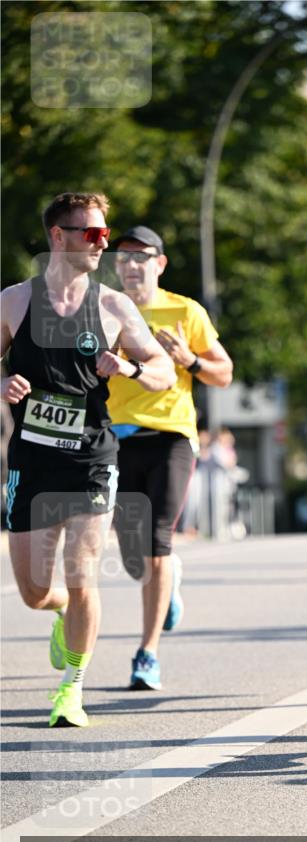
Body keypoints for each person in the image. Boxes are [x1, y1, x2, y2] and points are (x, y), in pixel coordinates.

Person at [0, 192, 175, 727]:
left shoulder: (114, 307)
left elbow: (164, 370)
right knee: (34, 592)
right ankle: (58, 614)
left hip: (92, 458)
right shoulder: (15, 302)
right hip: (31, 460)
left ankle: (71, 689)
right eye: (92, 234)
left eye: (105, 234)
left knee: (82, 575)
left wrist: (130, 369)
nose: (103, 244)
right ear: (58, 237)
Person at [107, 225, 233, 690]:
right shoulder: (102, 309)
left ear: (160, 264)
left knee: (157, 539)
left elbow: (224, 373)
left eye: (142, 257)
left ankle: (147, 654)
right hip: (115, 439)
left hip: (171, 436)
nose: (132, 265)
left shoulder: (185, 311)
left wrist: (189, 360)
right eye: (124, 257)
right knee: (132, 555)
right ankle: (169, 581)